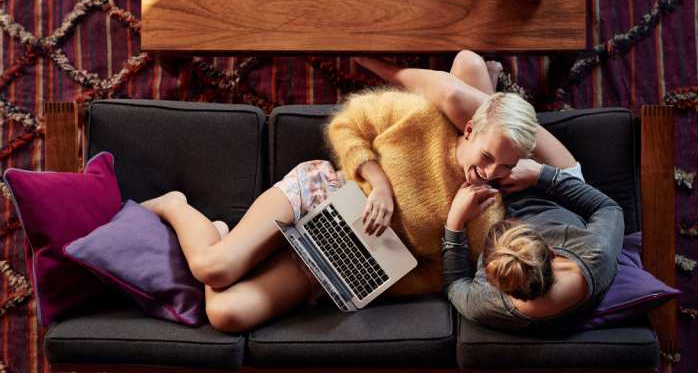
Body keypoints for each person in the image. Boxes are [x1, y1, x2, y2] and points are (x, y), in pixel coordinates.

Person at [140, 51, 571, 333]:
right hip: (320, 193)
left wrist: (381, 276)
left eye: (508, 167)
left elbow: (440, 277)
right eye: (489, 156)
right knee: (213, 269)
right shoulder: (421, 117)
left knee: (226, 315)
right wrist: (378, 182)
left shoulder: (484, 213)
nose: (492, 172)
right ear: (471, 128)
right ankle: (176, 206)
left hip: (343, 261)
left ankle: (219, 231)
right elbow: (345, 125)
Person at [440, 158, 625, 332]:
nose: (513, 217)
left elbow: (455, 284)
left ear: (491, 278)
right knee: (515, 130)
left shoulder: (487, 305)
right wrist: (541, 173)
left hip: (494, 194)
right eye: (523, 226)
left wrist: (455, 221)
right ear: (551, 252)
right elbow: (609, 208)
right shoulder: (596, 253)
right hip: (548, 188)